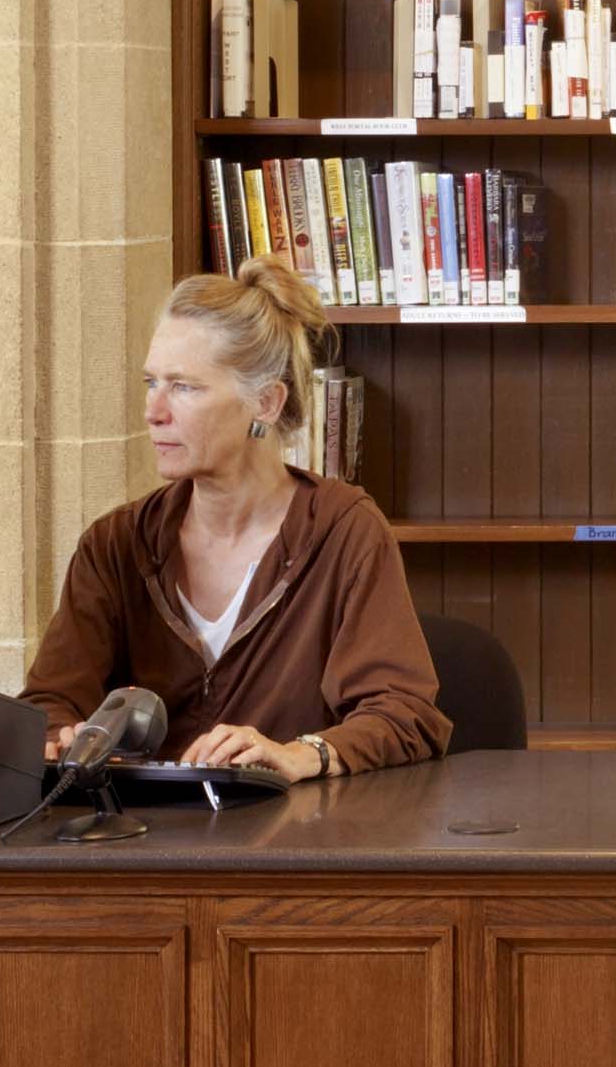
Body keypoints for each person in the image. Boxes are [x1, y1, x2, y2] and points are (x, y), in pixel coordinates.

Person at [23, 254, 446, 780]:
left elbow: (405, 712)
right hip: (143, 843)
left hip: (295, 840)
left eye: (184, 387)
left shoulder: (344, 530)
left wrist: (299, 753)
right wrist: (62, 736)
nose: (154, 411)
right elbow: (48, 702)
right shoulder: (114, 545)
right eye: (150, 383)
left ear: (265, 403)